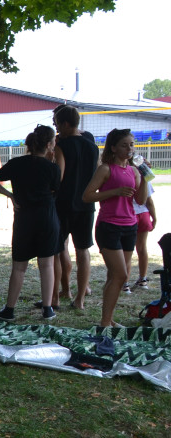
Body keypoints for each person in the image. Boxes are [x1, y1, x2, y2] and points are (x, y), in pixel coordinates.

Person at [0, 125, 62, 321]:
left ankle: (9, 309)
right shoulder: (52, 167)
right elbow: (56, 190)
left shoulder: (17, 163)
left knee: (19, 267)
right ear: (48, 144)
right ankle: (47, 309)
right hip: (46, 218)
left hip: (24, 219)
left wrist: (11, 195)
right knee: (47, 264)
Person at [81, 128, 149, 328]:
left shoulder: (134, 170)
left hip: (130, 226)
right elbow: (87, 196)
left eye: (132, 144)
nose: (130, 148)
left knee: (115, 276)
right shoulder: (106, 169)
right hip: (109, 226)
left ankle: (108, 319)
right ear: (113, 147)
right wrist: (115, 191)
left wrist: (145, 177)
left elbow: (141, 199)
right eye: (124, 145)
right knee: (121, 275)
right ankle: (104, 323)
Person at [52, 105, 99, 310]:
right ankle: (79, 298)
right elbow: (97, 173)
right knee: (83, 251)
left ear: (65, 124)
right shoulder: (92, 145)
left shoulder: (62, 145)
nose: (56, 128)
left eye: (56, 124)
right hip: (86, 205)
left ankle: (59, 294)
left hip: (63, 204)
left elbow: (58, 177)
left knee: (59, 249)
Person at [127, 156, 156, 291]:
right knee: (142, 248)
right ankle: (142, 279)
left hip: (128, 214)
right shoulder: (145, 179)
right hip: (143, 214)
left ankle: (124, 282)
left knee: (127, 250)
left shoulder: (125, 177)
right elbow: (149, 201)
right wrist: (154, 217)